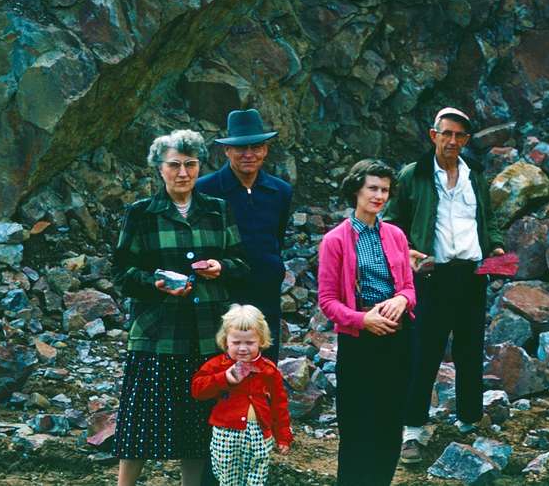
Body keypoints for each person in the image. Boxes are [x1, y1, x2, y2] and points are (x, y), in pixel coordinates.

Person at [112, 129, 250, 486]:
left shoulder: (218, 211)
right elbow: (121, 272)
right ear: (159, 168)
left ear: (200, 167)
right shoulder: (141, 214)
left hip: (207, 335)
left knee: (197, 428)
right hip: (157, 335)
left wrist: (222, 268)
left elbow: (241, 263)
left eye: (190, 164)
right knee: (140, 425)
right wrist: (152, 283)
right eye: (174, 165)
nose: (183, 173)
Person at [386, 108, 505, 464]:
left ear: (467, 140)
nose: (452, 141)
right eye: (447, 134)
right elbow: (392, 223)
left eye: (460, 136)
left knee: (470, 350)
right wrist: (406, 252)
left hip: (472, 274)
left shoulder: (475, 174)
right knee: (424, 352)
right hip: (430, 276)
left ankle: (469, 420)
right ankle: (412, 431)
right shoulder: (414, 175)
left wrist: (495, 245)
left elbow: (489, 217)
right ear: (432, 134)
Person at [317, 159, 416, 486]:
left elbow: (409, 287)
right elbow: (327, 300)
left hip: (397, 336)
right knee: (358, 423)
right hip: (358, 340)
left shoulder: (396, 235)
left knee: (389, 422)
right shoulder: (335, 240)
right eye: (372, 188)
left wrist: (402, 299)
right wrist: (362, 320)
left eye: (385, 190)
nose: (379, 196)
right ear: (356, 189)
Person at [197, 109, 292, 363]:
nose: (248, 154)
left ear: (266, 150)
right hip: (223, 291)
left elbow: (277, 237)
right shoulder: (205, 189)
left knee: (264, 361)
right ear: (227, 151)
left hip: (266, 290)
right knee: (221, 363)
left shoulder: (280, 191)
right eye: (240, 148)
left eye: (256, 146)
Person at [191, 303, 293, 486]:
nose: (243, 348)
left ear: (261, 340)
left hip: (260, 434)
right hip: (226, 433)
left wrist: (283, 436)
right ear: (225, 342)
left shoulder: (268, 370)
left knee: (257, 477)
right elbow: (197, 390)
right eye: (236, 343)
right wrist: (224, 378)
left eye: (250, 342)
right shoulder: (217, 365)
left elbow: (280, 404)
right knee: (227, 479)